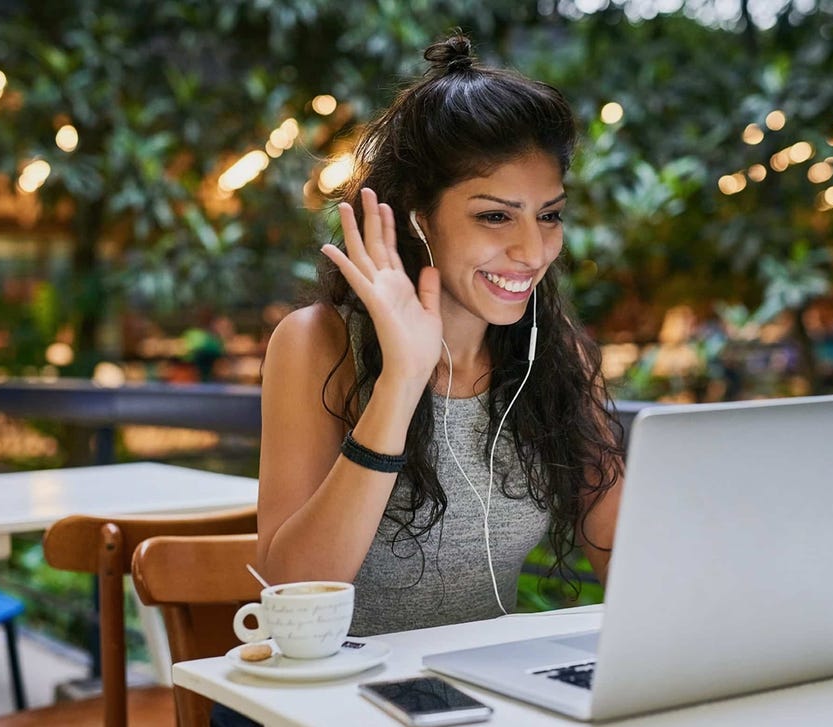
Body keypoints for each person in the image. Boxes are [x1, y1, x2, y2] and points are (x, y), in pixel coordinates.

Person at [213, 31, 625, 725]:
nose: (532, 250)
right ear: (418, 218)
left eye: (549, 215)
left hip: (468, 702)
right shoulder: (317, 344)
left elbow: (631, 563)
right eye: (494, 216)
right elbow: (293, 588)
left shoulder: (553, 359)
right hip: (319, 707)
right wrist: (402, 379)